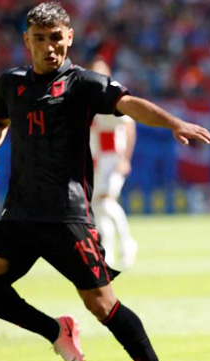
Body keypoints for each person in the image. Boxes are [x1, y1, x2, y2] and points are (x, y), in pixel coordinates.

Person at [0, 2, 210, 361]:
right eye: (40, 39)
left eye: (56, 38)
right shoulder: (10, 83)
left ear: (69, 38)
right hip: (19, 217)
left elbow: (130, 104)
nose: (49, 47)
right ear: (27, 41)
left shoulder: (82, 84)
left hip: (68, 216)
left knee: (102, 305)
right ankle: (56, 331)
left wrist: (173, 123)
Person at [89, 58, 138, 270]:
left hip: (113, 157)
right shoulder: (88, 98)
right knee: (97, 206)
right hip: (96, 160)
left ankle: (127, 243)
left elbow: (129, 126)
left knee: (105, 201)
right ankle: (107, 253)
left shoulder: (115, 96)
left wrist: (125, 158)